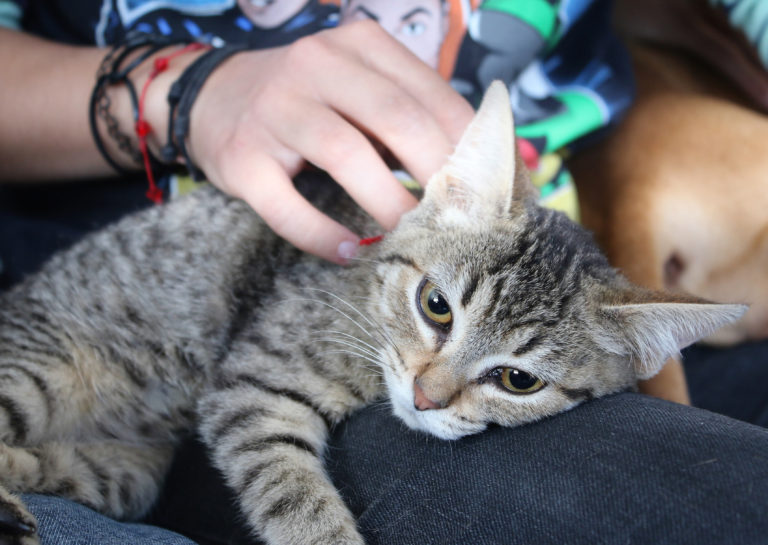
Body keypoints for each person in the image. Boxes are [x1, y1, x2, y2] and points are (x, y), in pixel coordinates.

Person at [2, 1, 768, 544]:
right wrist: (182, 92)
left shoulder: (468, 350)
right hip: (111, 329)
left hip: (562, 303)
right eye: (438, 309)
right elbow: (255, 402)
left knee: (116, 484)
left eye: (514, 379)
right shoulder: (370, 298)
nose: (432, 389)